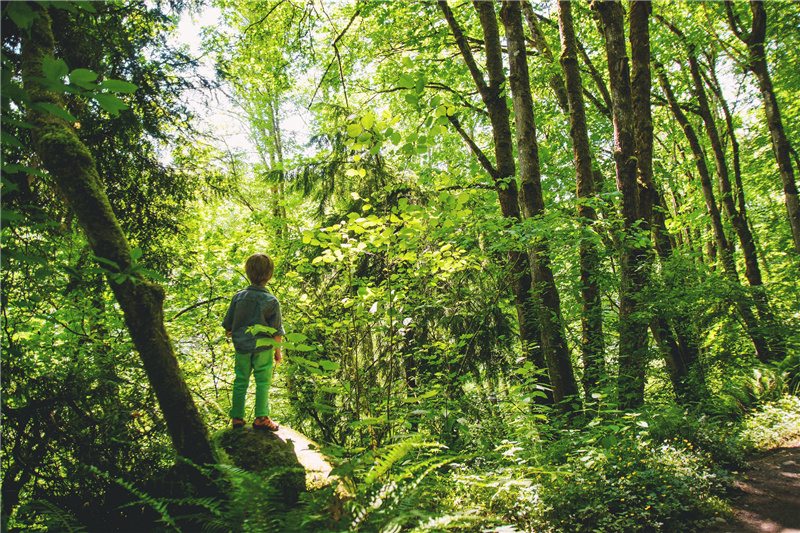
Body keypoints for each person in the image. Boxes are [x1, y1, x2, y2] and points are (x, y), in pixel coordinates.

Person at [222, 253, 284, 431]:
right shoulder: (271, 300)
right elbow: (277, 331)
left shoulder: (239, 297)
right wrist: (278, 352)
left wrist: (233, 332)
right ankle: (261, 417)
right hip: (263, 348)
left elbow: (228, 325)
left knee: (240, 380)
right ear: (270, 275)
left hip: (242, 348)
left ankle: (237, 418)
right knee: (263, 382)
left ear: (247, 272)